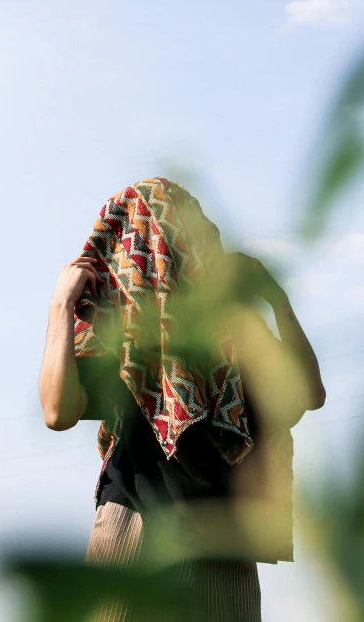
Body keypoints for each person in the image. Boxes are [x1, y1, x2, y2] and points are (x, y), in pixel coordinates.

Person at [39, 177, 326, 622]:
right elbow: (58, 412)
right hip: (137, 527)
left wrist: (277, 300)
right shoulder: (124, 326)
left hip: (224, 543)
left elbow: (309, 393)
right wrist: (61, 305)